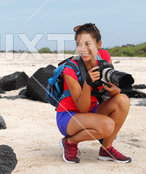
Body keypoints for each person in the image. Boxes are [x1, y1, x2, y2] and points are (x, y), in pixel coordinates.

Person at [56, 23, 132, 164]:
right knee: (107, 125)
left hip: (92, 111)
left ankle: (106, 149)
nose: (83, 49)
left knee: (123, 100)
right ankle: (69, 142)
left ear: (99, 44)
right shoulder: (70, 69)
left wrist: (115, 90)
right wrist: (87, 83)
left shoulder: (104, 57)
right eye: (79, 44)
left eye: (88, 44)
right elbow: (82, 109)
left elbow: (111, 90)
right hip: (69, 115)